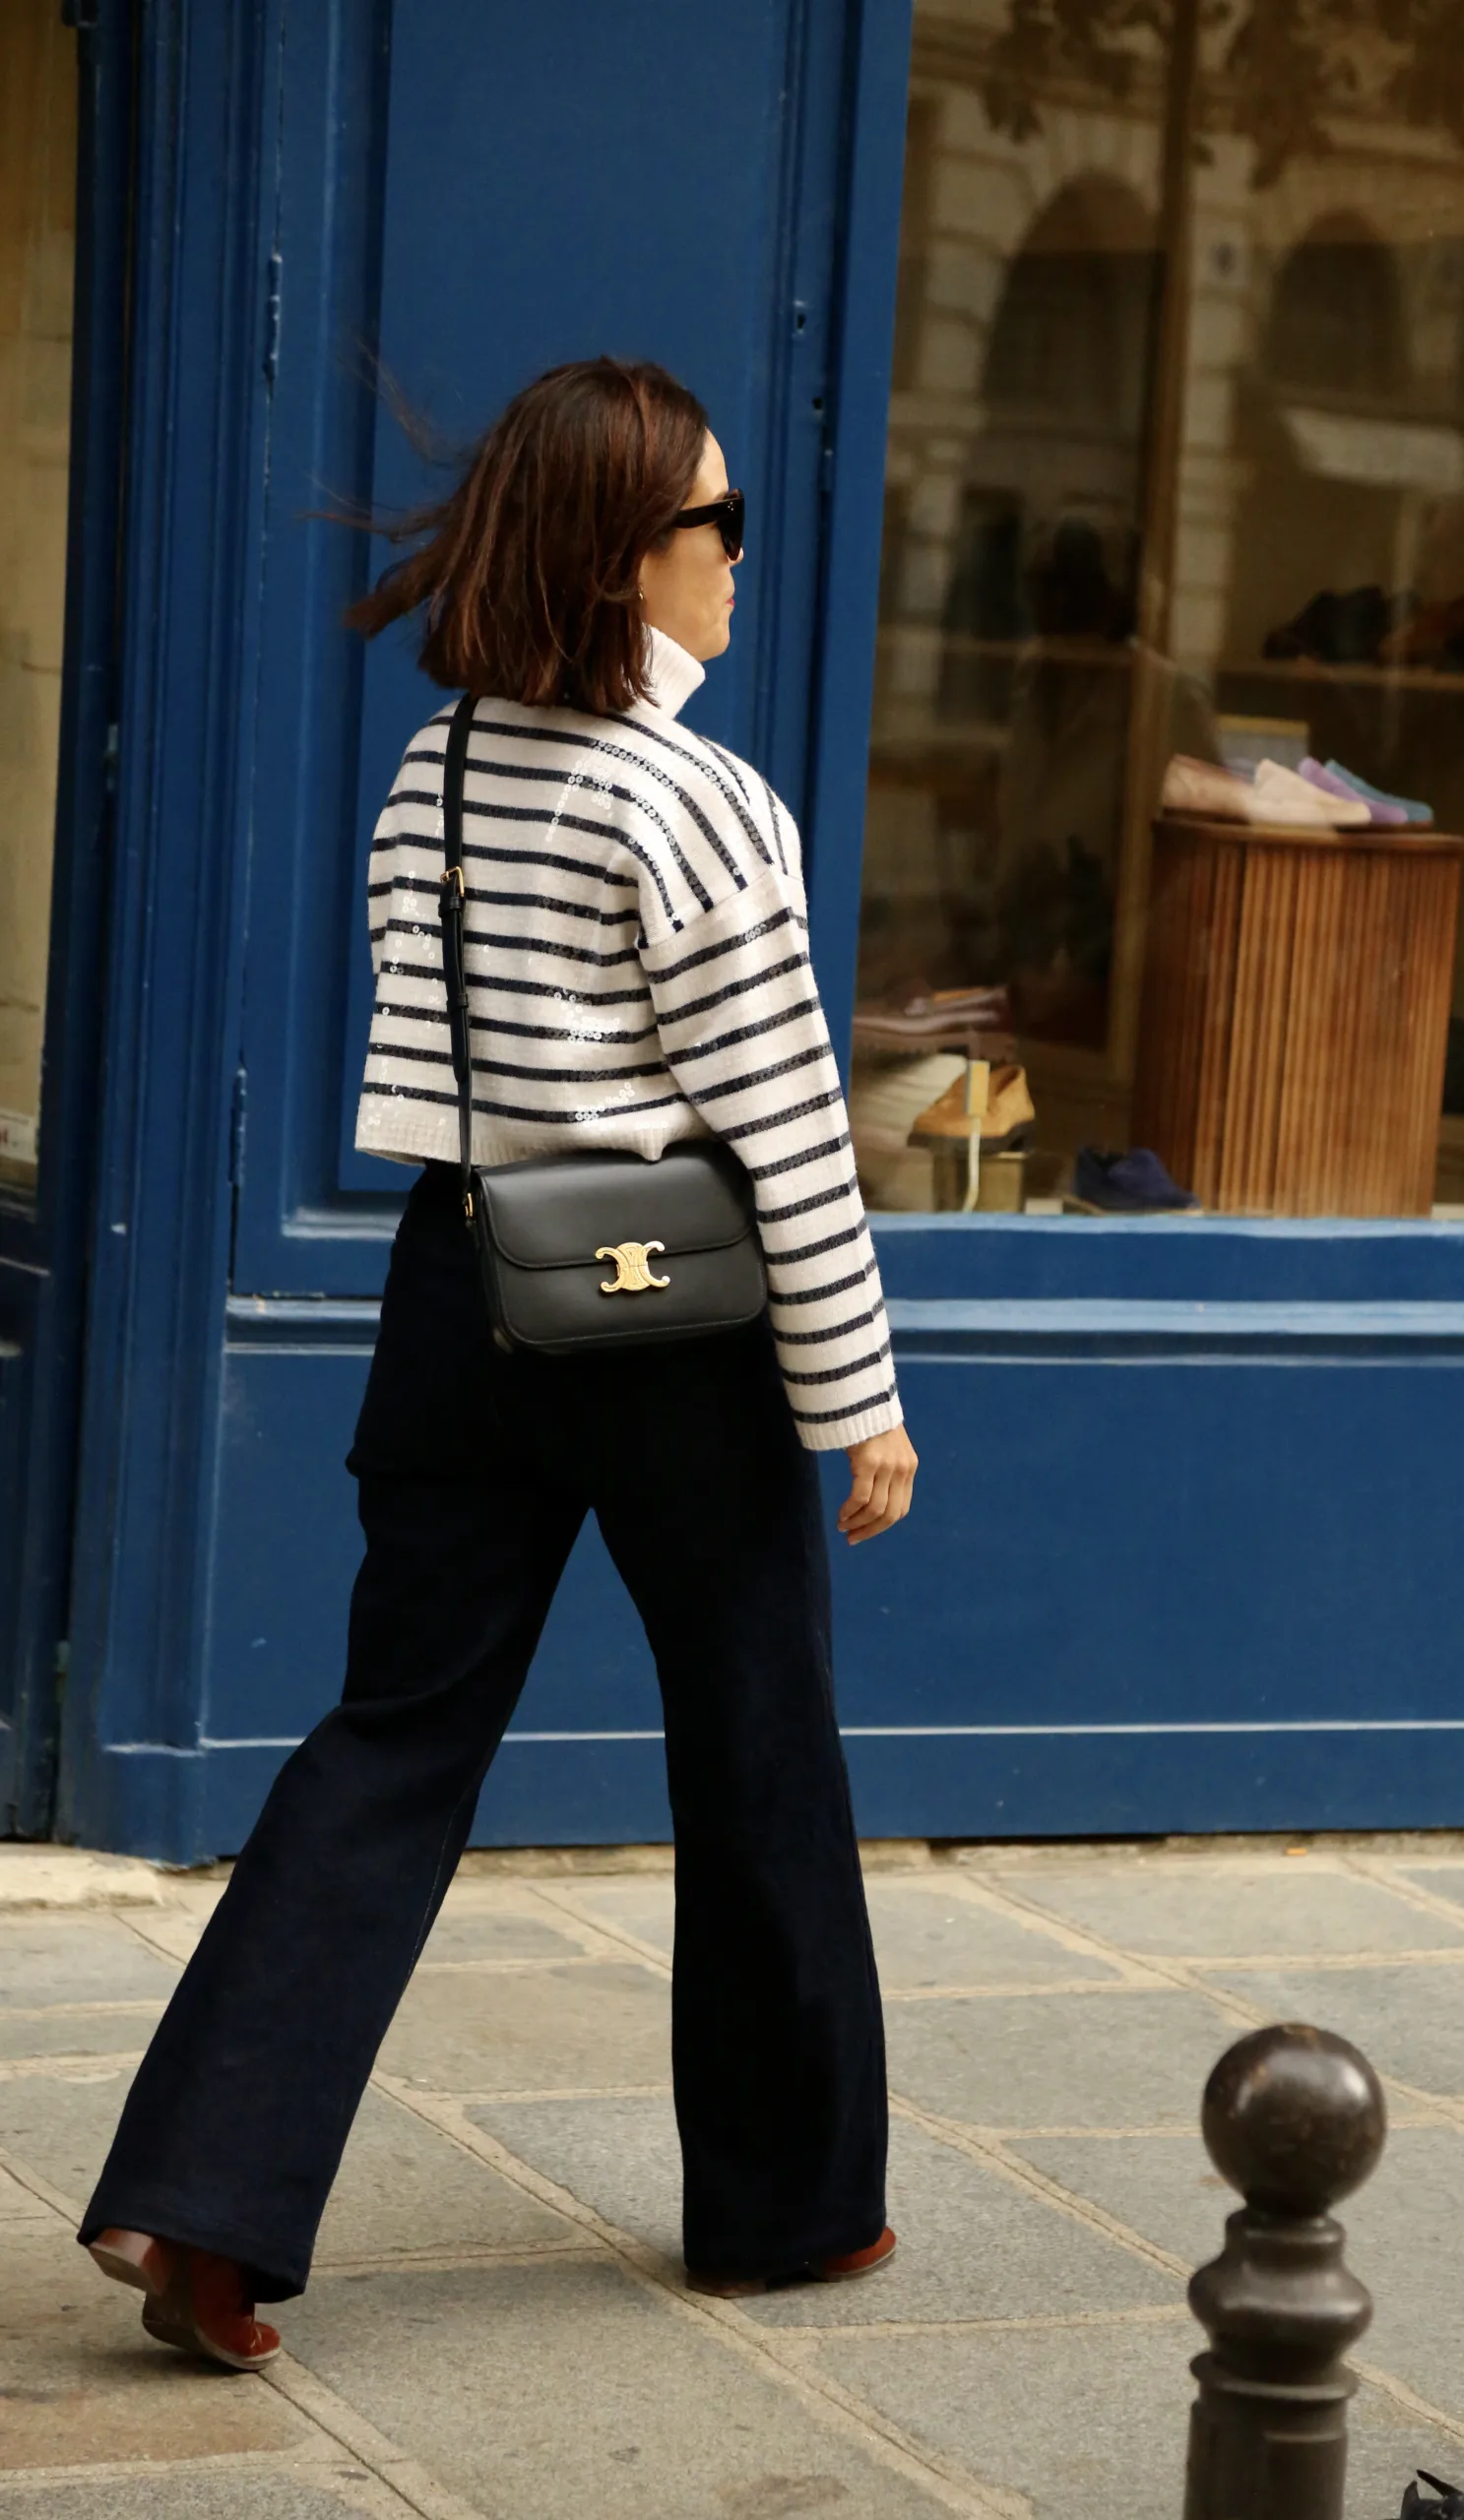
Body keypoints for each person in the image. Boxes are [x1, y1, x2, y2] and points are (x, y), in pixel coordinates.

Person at [78, 357, 917, 2369]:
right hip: (668, 1322)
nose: (737, 562)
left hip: (461, 1290)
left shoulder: (434, 773)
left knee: (392, 1739)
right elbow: (782, 1122)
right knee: (757, 1741)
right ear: (631, 555)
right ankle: (789, 2211)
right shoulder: (694, 799)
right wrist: (854, 1389)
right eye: (717, 526)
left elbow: (440, 1059)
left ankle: (200, 2199)